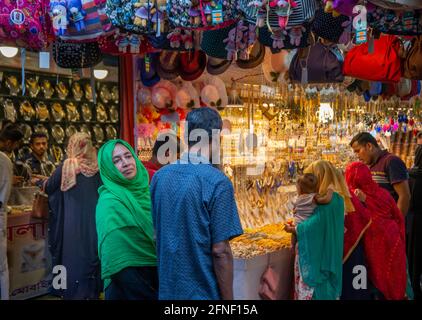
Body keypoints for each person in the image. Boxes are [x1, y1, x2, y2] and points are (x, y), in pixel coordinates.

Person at [150, 107, 243, 300]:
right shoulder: (218, 182)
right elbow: (220, 251)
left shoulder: (159, 177)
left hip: (168, 293)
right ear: (217, 138)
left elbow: (157, 235)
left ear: (186, 137)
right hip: (203, 294)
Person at [40, 133, 102, 300]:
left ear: (72, 146)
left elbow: (50, 187)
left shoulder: (68, 165)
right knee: (93, 252)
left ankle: (73, 292)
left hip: (72, 222)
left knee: (73, 255)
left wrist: (40, 182)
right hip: (96, 220)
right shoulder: (99, 167)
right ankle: (92, 291)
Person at [96, 139, 157, 300]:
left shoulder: (148, 192)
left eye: (128, 156)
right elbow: (117, 260)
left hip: (157, 277)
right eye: (116, 160)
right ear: (108, 168)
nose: (125, 163)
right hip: (128, 287)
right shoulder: (109, 202)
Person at [345, 161, 407, 300]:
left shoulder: (353, 198)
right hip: (393, 240)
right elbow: (397, 216)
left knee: (376, 282)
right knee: (391, 277)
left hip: (376, 245)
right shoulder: (383, 193)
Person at [350, 132, 410, 217]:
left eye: (358, 151)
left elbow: (404, 196)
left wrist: (397, 222)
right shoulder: (368, 165)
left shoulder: (391, 161)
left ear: (369, 146)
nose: (357, 156)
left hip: (389, 223)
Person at [0, 123, 23, 300]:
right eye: (14, 145)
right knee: (1, 266)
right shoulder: (3, 159)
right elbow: (5, 191)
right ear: (8, 142)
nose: (14, 148)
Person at [408, 145, 422, 300]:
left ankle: (414, 290)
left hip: (413, 223)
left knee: (414, 258)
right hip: (416, 221)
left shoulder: (410, 176)